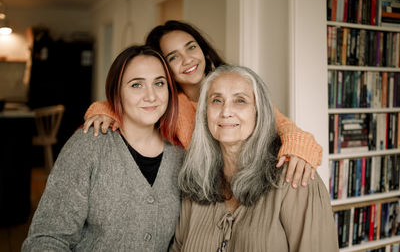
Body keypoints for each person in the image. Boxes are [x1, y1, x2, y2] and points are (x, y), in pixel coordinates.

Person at [83, 20, 322, 188]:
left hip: (252, 181)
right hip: (208, 191)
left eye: (191, 48)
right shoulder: (170, 103)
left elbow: (283, 125)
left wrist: (297, 147)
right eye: (173, 57)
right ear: (163, 69)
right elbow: (124, 101)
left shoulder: (234, 86)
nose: (187, 60)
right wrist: (101, 111)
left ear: (203, 50)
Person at [22, 45, 185, 251]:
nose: (151, 96)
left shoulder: (180, 157)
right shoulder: (88, 146)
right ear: (117, 92)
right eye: (137, 85)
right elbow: (47, 238)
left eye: (159, 83)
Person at [170, 65, 338, 252]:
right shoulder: (196, 179)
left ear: (259, 112)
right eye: (217, 100)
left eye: (240, 100)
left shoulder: (296, 178)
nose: (226, 111)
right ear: (204, 113)